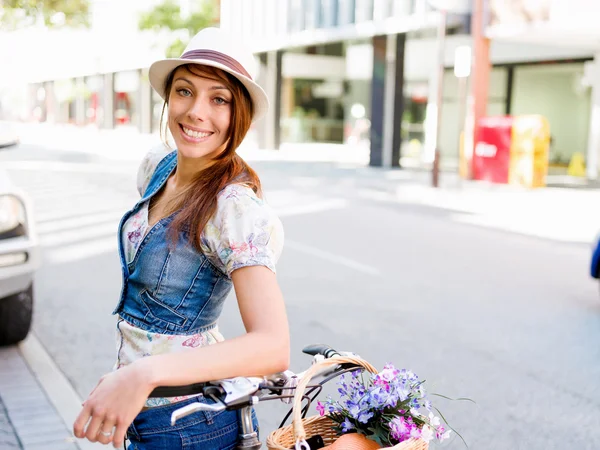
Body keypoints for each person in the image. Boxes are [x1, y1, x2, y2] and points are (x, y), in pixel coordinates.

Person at [73, 27, 289, 449]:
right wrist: (131, 373)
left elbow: (273, 345)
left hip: (191, 426)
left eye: (219, 99)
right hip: (146, 413)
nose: (195, 112)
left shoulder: (234, 208)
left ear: (238, 114)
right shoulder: (159, 165)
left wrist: (144, 372)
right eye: (185, 91)